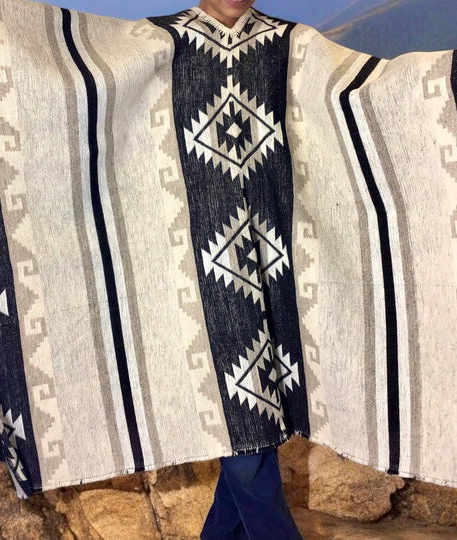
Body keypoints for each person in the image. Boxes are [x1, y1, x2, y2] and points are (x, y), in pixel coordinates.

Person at [195, 2, 304, 539]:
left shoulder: (292, 45)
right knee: (244, 419)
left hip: (278, 261)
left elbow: (355, 96)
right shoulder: (162, 45)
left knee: (253, 422)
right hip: (202, 268)